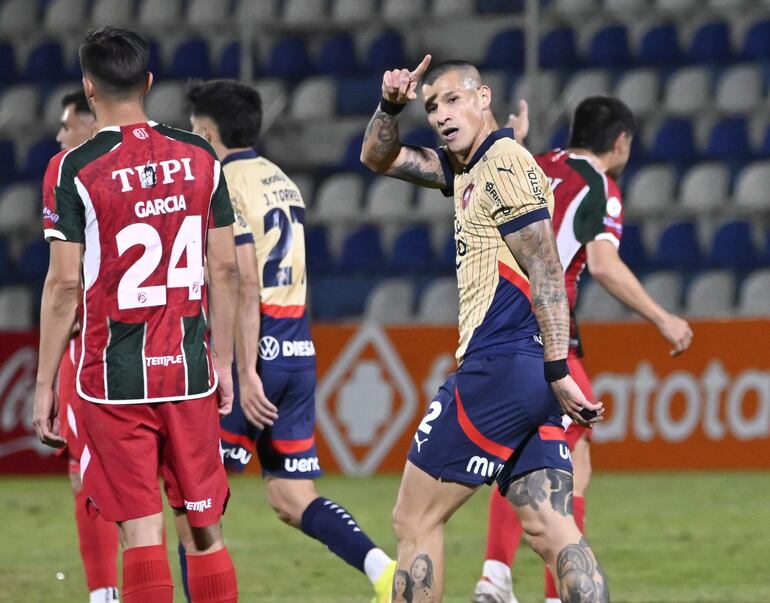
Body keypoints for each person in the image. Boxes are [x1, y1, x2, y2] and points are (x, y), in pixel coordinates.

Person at [360, 57, 610, 602]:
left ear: (483, 97)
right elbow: (378, 157)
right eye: (432, 106)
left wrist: (558, 367)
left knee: (414, 519)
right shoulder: (467, 168)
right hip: (526, 375)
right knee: (551, 530)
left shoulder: (502, 163)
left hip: (499, 365)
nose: (441, 115)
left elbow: (546, 268)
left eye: (453, 99)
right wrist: (389, 107)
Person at [32, 27, 239, 603]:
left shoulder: (72, 169)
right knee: (204, 530)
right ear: (148, 82)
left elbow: (64, 284)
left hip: (113, 377)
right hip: (189, 371)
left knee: (141, 534)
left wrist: (45, 384)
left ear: (88, 87)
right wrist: (223, 363)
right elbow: (225, 270)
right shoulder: (200, 156)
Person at [471, 96, 694, 603]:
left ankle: (496, 577)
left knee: (526, 455)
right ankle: (539, 589)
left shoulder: (535, 163)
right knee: (570, 463)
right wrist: (664, 319)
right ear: (621, 142)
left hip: (496, 325)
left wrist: (510, 140)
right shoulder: (600, 187)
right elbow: (604, 263)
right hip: (547, 334)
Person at [186, 79, 396, 603]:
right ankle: (384, 571)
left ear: (207, 132)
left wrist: (244, 368)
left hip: (251, 355)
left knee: (194, 502)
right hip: (298, 349)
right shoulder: (282, 180)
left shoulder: (220, 182)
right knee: (290, 495)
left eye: (193, 130)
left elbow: (241, 276)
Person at [49, 89, 121, 603]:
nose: (59, 136)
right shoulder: (156, 164)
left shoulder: (69, 174)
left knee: (91, 474)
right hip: (161, 346)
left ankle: (106, 594)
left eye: (66, 123)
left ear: (91, 124)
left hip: (94, 348)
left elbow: (63, 279)